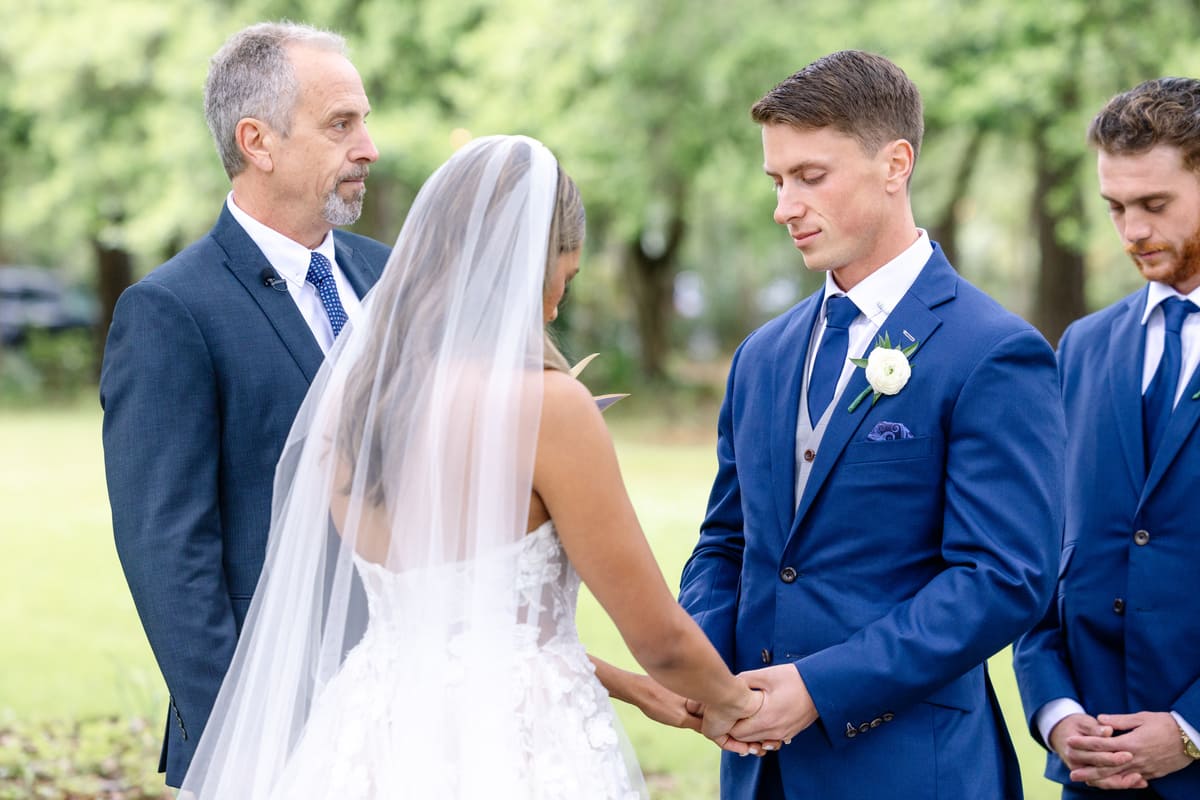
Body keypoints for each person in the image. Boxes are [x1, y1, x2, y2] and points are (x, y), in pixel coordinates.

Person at [177, 135, 763, 799]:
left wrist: (630, 688)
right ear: (523, 268)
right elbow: (659, 636)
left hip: (374, 733)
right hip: (521, 746)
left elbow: (451, 627)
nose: (553, 311)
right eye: (560, 283)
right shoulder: (546, 407)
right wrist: (734, 704)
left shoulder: (352, 403)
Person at [676, 50, 1067, 798]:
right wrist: (705, 664)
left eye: (810, 177)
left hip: (912, 767)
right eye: (778, 181)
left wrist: (820, 688)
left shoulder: (994, 351)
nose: (785, 207)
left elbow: (1003, 577)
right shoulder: (762, 356)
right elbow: (728, 542)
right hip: (759, 774)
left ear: (896, 165)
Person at [100, 22, 389, 788]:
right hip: (268, 735)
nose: (369, 147)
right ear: (257, 141)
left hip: (408, 711)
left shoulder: (395, 278)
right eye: (341, 125)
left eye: (363, 119)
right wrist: (248, 742)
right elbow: (168, 553)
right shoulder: (169, 311)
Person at [1014, 77, 1200, 799]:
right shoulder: (1081, 349)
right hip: (1092, 777)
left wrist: (1188, 728)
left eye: (1154, 205)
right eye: (1116, 208)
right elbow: (1038, 559)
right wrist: (1057, 713)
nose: (1132, 231)